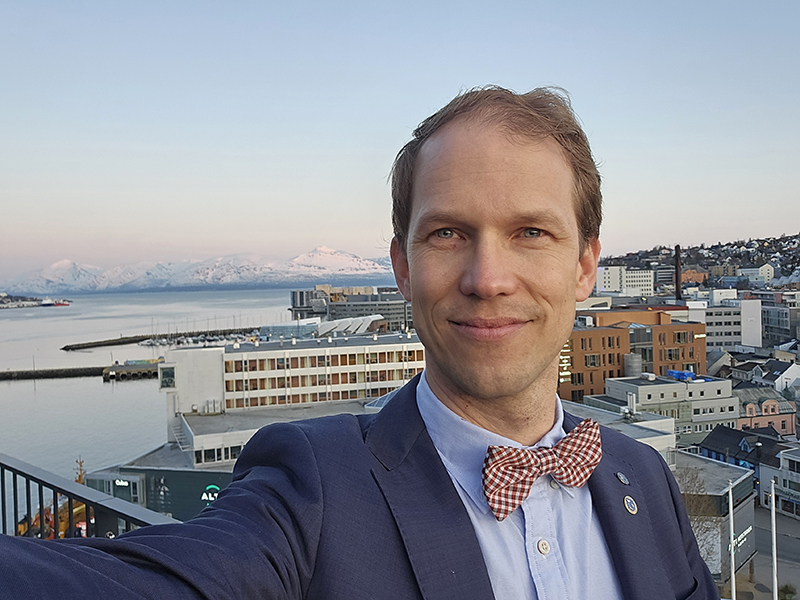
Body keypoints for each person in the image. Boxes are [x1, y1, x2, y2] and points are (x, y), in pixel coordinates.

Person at [0, 86, 718, 600]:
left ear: (585, 265)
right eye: (448, 233)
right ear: (403, 267)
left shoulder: (643, 477)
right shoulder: (311, 488)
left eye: (531, 232)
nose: (488, 279)